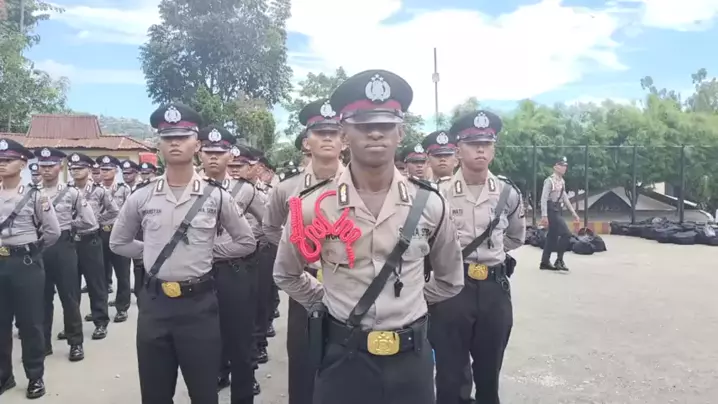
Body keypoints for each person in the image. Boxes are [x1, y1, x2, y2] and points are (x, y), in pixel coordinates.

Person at [273, 69, 464, 404]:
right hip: (342, 358)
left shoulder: (431, 203)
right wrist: (325, 300)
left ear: (400, 132)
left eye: (386, 125)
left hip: (411, 360)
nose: (375, 133)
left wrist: (411, 302)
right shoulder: (313, 205)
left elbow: (450, 279)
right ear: (345, 133)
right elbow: (286, 273)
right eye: (363, 125)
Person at [110, 103, 256, 404]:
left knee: (204, 394)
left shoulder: (215, 195)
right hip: (154, 305)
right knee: (155, 394)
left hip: (199, 307)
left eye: (183, 137)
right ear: (158, 144)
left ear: (197, 144)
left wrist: (209, 252)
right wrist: (150, 253)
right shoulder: (142, 196)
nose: (174, 143)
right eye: (167, 137)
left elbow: (246, 241)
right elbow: (118, 242)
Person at [429, 111, 526, 404]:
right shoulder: (439, 194)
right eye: (473, 144)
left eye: (486, 144)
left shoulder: (508, 193)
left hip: (494, 290)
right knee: (450, 373)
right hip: (452, 289)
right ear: (458, 150)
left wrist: (492, 253)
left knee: (489, 371)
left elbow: (516, 237)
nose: (480, 150)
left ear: (493, 149)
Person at [265, 97, 344, 404]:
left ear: (344, 140)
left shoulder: (361, 185)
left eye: (334, 132)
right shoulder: (287, 188)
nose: (327, 138)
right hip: (304, 284)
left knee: (346, 363)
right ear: (306, 141)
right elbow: (271, 227)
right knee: (303, 360)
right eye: (320, 132)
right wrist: (297, 252)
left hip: (349, 281)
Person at [197, 125, 263, 402]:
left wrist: (248, 246)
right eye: (208, 151)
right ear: (199, 153)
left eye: (220, 152)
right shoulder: (187, 188)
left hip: (234, 271)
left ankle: (244, 387)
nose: (214, 157)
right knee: (204, 338)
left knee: (240, 337)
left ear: (230, 155)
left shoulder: (244, 190)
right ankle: (217, 374)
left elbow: (269, 222)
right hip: (197, 275)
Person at [0, 138, 61, 399]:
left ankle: (35, 376)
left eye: (8, 160)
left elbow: (53, 231)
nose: (2, 164)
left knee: (30, 323)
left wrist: (32, 251)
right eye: (0, 160)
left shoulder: (36, 195)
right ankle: (4, 376)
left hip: (25, 263)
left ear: (23, 164)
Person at [34, 148, 96, 362]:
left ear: (60, 167)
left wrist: (69, 225)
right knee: (41, 299)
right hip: (38, 247)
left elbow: (90, 221)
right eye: (43, 166)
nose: (46, 170)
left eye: (50, 165)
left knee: (69, 297)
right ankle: (43, 344)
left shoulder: (71, 192)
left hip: (63, 247)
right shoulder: (32, 192)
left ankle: (75, 342)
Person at [68, 152, 111, 340]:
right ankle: (72, 326)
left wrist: (96, 221)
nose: (75, 171)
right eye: (72, 168)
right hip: (69, 241)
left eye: (79, 168)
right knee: (71, 286)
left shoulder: (99, 191)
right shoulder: (65, 190)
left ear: (88, 169)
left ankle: (100, 322)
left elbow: (114, 210)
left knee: (96, 284)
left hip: (90, 240)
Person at [95, 155, 132, 320]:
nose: (105, 172)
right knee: (99, 274)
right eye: (102, 169)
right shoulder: (94, 189)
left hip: (118, 233)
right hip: (99, 233)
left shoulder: (124, 189)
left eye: (108, 169)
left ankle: (122, 307)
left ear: (116, 171)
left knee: (122, 273)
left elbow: (130, 212)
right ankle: (100, 309)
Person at [540, 156, 580, 271]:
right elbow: (543, 198)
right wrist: (544, 215)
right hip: (551, 210)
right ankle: (559, 260)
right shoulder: (549, 181)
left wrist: (573, 213)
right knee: (566, 234)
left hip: (557, 209)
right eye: (562, 165)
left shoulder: (562, 181)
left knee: (552, 237)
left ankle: (544, 262)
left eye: (565, 166)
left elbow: (565, 198)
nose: (564, 168)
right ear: (555, 167)